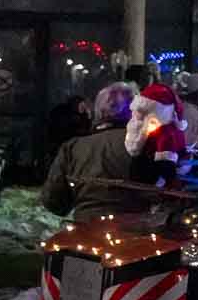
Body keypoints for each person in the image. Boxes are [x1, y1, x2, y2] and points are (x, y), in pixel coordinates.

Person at [41, 83, 136, 218]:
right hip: (139, 227)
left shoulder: (73, 147)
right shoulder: (149, 145)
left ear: (97, 111)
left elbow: (53, 201)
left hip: (87, 225)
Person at [125, 82, 187, 186]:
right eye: (137, 111)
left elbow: (166, 162)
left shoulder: (166, 133)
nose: (137, 115)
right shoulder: (142, 128)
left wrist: (169, 181)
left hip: (154, 179)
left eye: (143, 112)